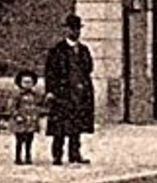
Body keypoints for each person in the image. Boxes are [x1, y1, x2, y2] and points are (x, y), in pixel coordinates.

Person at [44, 13, 95, 165]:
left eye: (78, 29)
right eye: (72, 29)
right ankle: (57, 155)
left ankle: (75, 154)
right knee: (60, 127)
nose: (75, 32)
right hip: (62, 93)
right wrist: (50, 91)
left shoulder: (84, 50)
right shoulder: (57, 50)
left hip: (79, 93)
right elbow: (50, 72)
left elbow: (88, 68)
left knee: (76, 126)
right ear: (66, 30)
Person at [11, 69, 44, 165]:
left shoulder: (35, 95)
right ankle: (18, 157)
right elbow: (12, 107)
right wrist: (17, 115)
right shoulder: (17, 95)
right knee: (20, 140)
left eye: (30, 82)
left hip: (31, 120)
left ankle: (28, 156)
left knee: (30, 139)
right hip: (21, 120)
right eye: (25, 82)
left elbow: (38, 105)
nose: (27, 84)